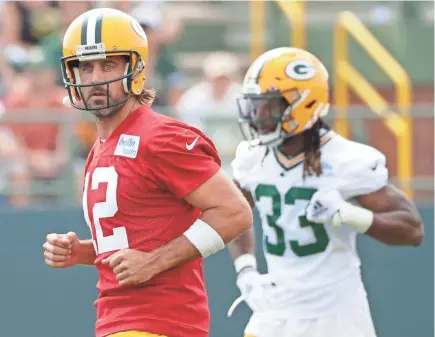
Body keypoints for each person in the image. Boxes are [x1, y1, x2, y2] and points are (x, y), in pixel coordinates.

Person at [42, 8, 252, 337]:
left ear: (135, 67)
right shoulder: (100, 146)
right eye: (85, 67)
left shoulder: (160, 137)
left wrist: (154, 262)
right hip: (118, 321)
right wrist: (84, 252)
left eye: (108, 64)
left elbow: (235, 212)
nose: (95, 77)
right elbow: (139, 238)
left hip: (160, 322)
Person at [228, 47, 423, 337]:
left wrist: (350, 214)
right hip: (275, 310)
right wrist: (245, 269)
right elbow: (234, 212)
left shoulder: (347, 160)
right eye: (256, 105)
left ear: (303, 105)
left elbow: (412, 230)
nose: (259, 115)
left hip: (335, 314)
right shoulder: (251, 157)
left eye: (271, 105)